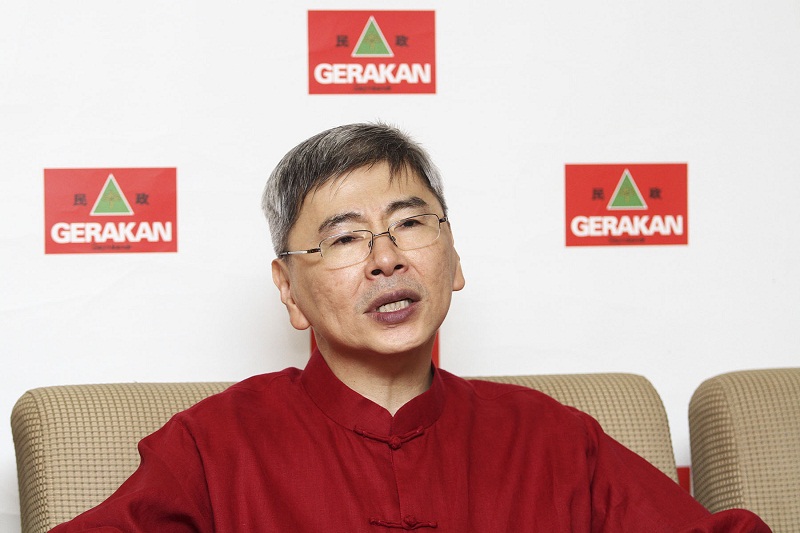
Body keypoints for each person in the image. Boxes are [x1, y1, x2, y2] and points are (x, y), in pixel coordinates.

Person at [50, 123, 770, 532]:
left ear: (452, 258)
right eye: (344, 238)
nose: (386, 258)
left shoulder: (555, 441)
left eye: (410, 224)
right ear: (289, 290)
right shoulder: (212, 449)